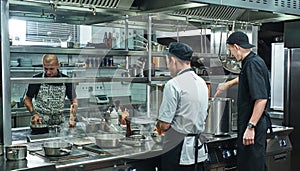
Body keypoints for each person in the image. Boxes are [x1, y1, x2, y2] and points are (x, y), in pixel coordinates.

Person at [214, 31, 270, 171]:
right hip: (252, 126)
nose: (231, 55)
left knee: (252, 167)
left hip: (253, 128)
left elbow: (261, 99)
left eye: (230, 50)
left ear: (237, 47)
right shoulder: (252, 62)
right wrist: (228, 84)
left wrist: (250, 127)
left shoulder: (252, 64)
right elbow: (245, 78)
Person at [155, 42, 208, 171]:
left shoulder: (173, 84)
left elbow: (165, 125)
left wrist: (158, 126)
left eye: (167, 62)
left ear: (172, 60)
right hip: (198, 151)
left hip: (178, 151)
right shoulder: (201, 82)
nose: (168, 67)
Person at [24, 54, 78, 127]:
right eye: (45, 69)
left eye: (51, 69)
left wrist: (72, 118)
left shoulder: (66, 80)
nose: (48, 72)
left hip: (59, 124)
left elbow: (74, 101)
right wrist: (34, 114)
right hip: (40, 122)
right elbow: (27, 100)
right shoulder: (37, 79)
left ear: (58, 65)